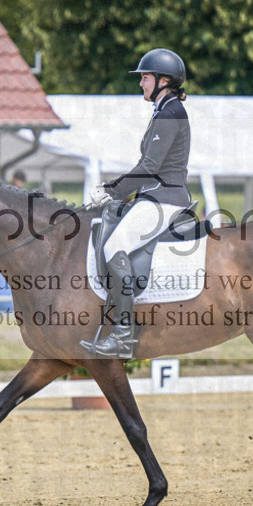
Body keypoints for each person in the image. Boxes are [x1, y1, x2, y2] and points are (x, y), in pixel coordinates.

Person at [80, 48, 192, 359]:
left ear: (163, 80)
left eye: (145, 77)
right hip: (155, 195)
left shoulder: (170, 113)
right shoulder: (163, 110)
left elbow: (150, 167)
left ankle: (122, 335)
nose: (141, 83)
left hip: (164, 198)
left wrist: (111, 190)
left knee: (114, 246)